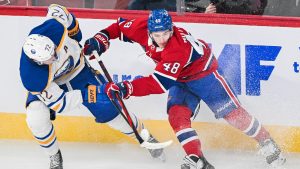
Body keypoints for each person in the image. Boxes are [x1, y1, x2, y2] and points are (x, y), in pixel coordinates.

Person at [83, 9, 286, 169]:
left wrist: (126, 87)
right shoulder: (141, 27)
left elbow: (158, 83)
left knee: (231, 114)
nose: (162, 38)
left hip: (204, 75)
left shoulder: (177, 48)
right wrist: (100, 40)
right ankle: (197, 158)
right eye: (157, 34)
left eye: (166, 33)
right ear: (149, 32)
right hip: (180, 78)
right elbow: (117, 28)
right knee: (176, 115)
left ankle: (268, 143)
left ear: (171, 30)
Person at [19, 4, 165, 169]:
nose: (55, 56)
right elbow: (61, 104)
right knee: (36, 117)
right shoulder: (33, 78)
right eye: (49, 58)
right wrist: (90, 93)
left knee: (112, 110)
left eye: (54, 50)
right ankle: (54, 156)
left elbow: (58, 9)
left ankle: (146, 138)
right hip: (53, 86)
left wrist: (76, 34)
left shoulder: (53, 27)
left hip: (81, 73)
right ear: (38, 62)